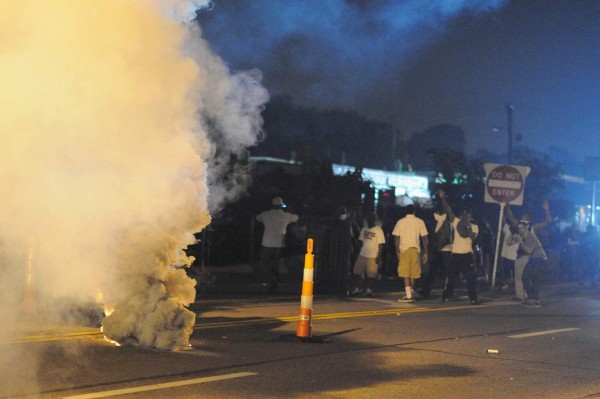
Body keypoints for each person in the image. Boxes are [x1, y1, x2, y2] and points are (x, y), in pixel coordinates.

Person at [438, 189, 480, 305]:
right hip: (456, 255)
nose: (465, 216)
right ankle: (446, 295)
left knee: (470, 278)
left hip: (467, 255)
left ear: (470, 216)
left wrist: (468, 227)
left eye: (467, 214)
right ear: (461, 216)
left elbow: (474, 239)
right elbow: (448, 210)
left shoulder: (474, 226)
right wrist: (442, 199)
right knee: (451, 277)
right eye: (463, 214)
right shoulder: (456, 222)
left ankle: (473, 298)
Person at [506, 200, 550, 301]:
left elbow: (547, 222)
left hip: (529, 254)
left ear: (529, 219)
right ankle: (520, 296)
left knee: (526, 277)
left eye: (526, 217)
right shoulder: (519, 225)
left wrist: (546, 210)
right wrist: (507, 206)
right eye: (523, 217)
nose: (523, 218)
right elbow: (511, 218)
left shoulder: (532, 228)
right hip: (520, 253)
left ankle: (529, 296)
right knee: (519, 277)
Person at [255, 196, 299, 294]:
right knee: (275, 265)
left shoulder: (266, 214)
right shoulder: (286, 215)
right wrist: (290, 209)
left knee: (264, 263)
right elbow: (296, 217)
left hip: (266, 243)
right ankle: (273, 286)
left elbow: (258, 218)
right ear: (281, 206)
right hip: (279, 244)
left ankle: (272, 280)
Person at [392, 204, 428, 303]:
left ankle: (408, 296)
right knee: (413, 273)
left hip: (404, 249)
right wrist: (426, 253)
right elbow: (424, 238)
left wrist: (397, 251)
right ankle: (410, 293)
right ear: (414, 211)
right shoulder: (420, 222)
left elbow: (396, 238)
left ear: (405, 211)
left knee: (405, 273)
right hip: (416, 250)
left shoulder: (400, 222)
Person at [508, 220, 548, 307]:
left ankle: (535, 300)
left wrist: (521, 242)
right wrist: (512, 233)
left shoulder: (530, 236)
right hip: (533, 258)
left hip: (539, 257)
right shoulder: (522, 236)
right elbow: (509, 243)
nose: (520, 230)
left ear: (526, 228)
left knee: (533, 278)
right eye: (518, 228)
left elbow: (529, 251)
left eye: (521, 228)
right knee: (525, 277)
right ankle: (531, 298)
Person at [322, 206, 357, 296]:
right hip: (343, 251)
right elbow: (353, 238)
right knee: (343, 270)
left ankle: (335, 288)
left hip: (336, 251)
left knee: (337, 269)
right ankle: (341, 288)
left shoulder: (332, 224)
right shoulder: (347, 224)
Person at [350, 212, 386, 296]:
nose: (369, 221)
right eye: (368, 219)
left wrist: (379, 256)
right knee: (357, 272)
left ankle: (369, 289)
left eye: (371, 219)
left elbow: (381, 245)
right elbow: (360, 242)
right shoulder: (364, 229)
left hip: (373, 255)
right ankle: (358, 288)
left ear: (374, 220)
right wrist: (358, 252)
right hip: (363, 253)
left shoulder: (378, 230)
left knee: (371, 274)